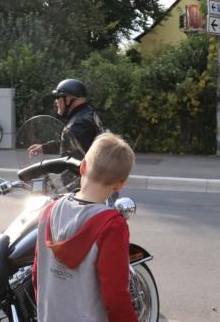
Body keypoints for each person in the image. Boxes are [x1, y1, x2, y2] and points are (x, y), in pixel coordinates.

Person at [32, 132, 137, 322]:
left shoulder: (49, 211)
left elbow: (36, 274)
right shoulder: (111, 226)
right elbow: (115, 296)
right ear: (120, 184)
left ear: (83, 167)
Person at [28, 78, 104, 159]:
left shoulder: (78, 124)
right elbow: (69, 143)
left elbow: (71, 163)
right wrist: (44, 148)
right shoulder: (87, 113)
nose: (56, 101)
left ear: (67, 99)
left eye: (58, 97)